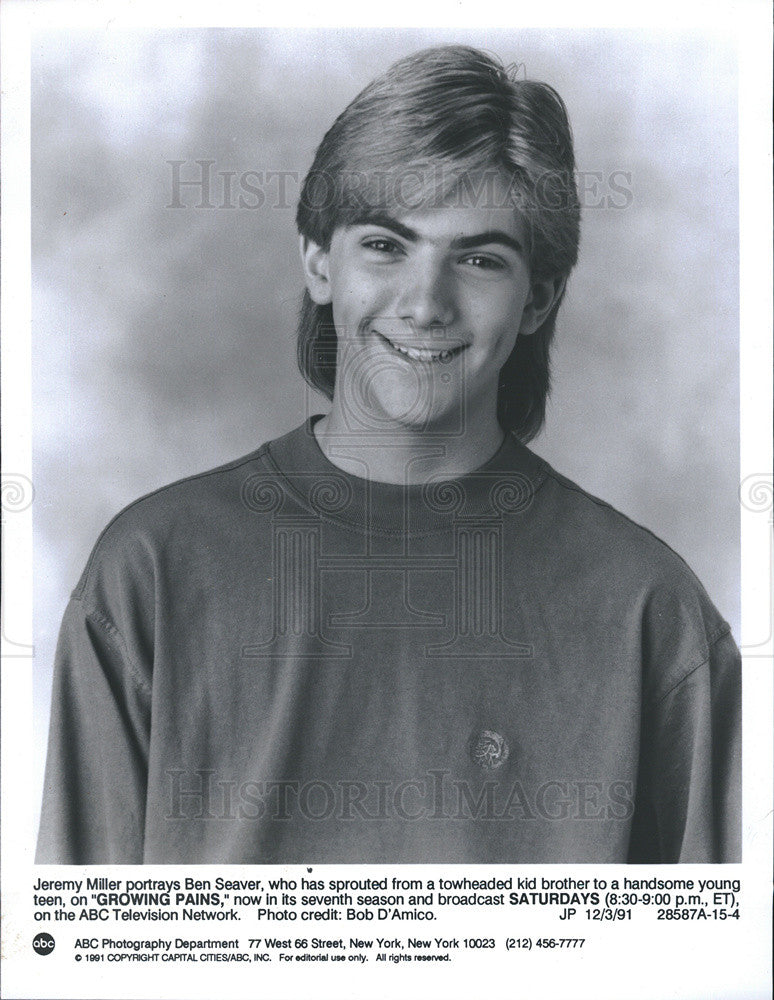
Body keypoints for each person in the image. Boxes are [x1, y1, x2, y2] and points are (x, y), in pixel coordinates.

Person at [36, 44, 740, 864]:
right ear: (317, 260)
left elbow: (709, 970)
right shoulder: (152, 572)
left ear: (540, 297)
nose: (426, 303)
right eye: (385, 244)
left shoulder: (649, 611)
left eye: (478, 259)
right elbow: (81, 956)